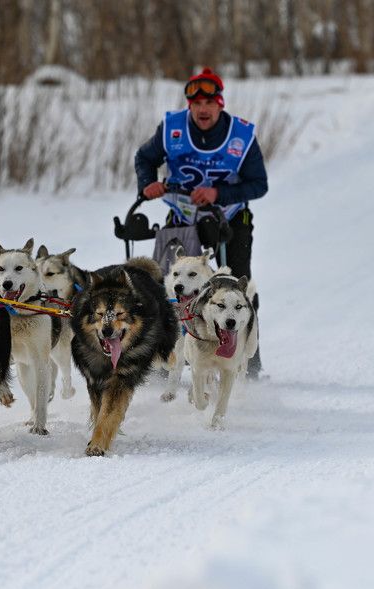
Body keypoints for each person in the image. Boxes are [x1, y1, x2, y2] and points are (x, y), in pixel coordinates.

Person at [134, 67, 268, 378]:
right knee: (171, 288)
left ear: (220, 104)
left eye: (209, 103)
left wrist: (218, 192)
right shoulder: (172, 128)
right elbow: (144, 158)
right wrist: (148, 183)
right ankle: (165, 362)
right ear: (189, 105)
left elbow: (258, 184)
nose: (202, 109)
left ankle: (248, 364)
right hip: (182, 220)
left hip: (231, 221)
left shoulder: (241, 135)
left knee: (237, 290)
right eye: (196, 104)